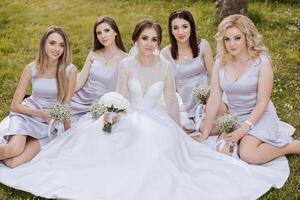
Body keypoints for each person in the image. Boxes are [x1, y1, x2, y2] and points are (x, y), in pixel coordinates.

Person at [0, 19, 293, 200]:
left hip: (157, 119)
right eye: (144, 39)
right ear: (137, 41)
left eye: (154, 39)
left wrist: (182, 129)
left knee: (157, 154)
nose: (150, 44)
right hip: (128, 116)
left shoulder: (166, 66)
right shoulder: (127, 65)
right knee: (107, 150)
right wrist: (112, 113)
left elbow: (169, 100)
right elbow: (121, 95)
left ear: (158, 42)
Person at [197, 14, 300, 163]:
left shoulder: (262, 63)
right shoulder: (220, 63)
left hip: (260, 115)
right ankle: (245, 139)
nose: (231, 44)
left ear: (247, 37)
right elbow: (214, 99)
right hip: (235, 116)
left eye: (237, 38)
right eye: (227, 39)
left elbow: (262, 102)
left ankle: (292, 146)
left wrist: (243, 130)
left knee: (248, 154)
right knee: (222, 151)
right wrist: (204, 134)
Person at [0, 26, 77, 168]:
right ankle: (19, 139)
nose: (57, 49)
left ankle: (24, 139)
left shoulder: (69, 70)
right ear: (44, 44)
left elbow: (66, 104)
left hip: (47, 124)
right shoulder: (31, 68)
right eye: (52, 43)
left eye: (61, 45)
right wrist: (40, 113)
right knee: (13, 149)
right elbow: (15, 105)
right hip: (28, 114)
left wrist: (68, 134)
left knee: (13, 162)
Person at [161, 10, 227, 133]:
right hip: (185, 102)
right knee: (195, 128)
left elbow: (213, 75)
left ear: (191, 27)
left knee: (221, 120)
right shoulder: (166, 53)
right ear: (171, 30)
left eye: (185, 26)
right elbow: (169, 87)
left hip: (207, 96)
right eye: (176, 28)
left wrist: (210, 99)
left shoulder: (202, 45)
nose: (180, 32)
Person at [71, 16, 127, 122]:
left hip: (102, 104)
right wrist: (65, 96)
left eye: (106, 30)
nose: (103, 36)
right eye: (99, 33)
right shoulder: (93, 54)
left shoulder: (125, 59)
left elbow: (122, 91)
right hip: (81, 99)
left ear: (115, 32)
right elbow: (80, 81)